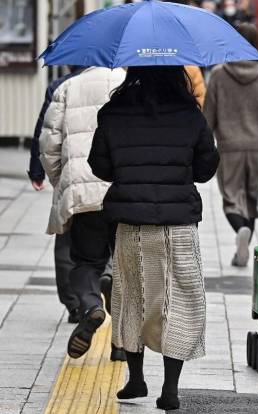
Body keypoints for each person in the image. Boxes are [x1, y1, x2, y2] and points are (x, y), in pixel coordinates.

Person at [88, 66, 219, 411]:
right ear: (176, 74)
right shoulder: (189, 113)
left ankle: (135, 379)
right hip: (177, 226)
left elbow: (99, 166)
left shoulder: (114, 111)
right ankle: (170, 389)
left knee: (131, 298)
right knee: (177, 302)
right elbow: (206, 168)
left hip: (131, 224)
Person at [39, 66, 127, 361]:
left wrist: (61, 182)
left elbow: (49, 146)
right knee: (126, 269)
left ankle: (91, 305)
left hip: (81, 192)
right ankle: (121, 345)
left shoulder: (67, 88)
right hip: (122, 192)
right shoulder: (128, 83)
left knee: (85, 261)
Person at [204, 23, 258, 267]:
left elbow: (209, 115)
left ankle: (240, 233)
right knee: (252, 200)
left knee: (232, 199)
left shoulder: (218, 74)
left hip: (230, 147)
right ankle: (243, 248)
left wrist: (205, 143)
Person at [29, 67, 84, 324]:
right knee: (107, 237)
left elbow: (45, 135)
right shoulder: (119, 81)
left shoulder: (60, 87)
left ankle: (73, 303)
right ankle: (102, 283)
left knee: (65, 241)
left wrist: (44, 172)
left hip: (70, 175)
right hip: (107, 178)